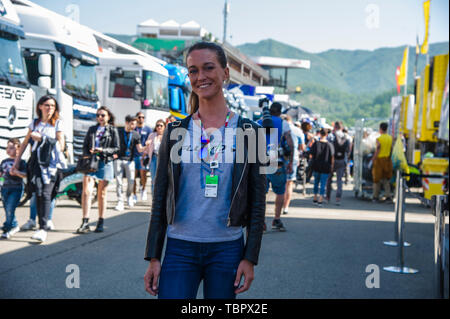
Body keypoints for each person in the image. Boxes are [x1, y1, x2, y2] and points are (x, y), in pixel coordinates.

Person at [144, 41, 266, 299]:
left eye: (208, 68)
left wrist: (250, 257)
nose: (200, 76)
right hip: (179, 248)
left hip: (227, 249)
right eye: (193, 70)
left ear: (225, 73)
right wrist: (154, 256)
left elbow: (258, 200)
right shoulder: (175, 132)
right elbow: (160, 196)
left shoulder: (250, 132)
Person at [14, 95, 66, 242]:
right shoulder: (34, 123)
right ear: (40, 107)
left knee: (46, 193)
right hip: (35, 163)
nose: (50, 108)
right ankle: (39, 225)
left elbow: (60, 146)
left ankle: (43, 228)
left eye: (52, 106)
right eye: (47, 105)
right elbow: (24, 144)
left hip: (50, 164)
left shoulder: (57, 124)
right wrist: (16, 162)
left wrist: (43, 139)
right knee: (37, 193)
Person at [77, 106, 119, 233]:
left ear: (108, 117)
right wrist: (87, 155)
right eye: (98, 115)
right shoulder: (92, 129)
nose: (100, 117)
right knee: (86, 192)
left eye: (103, 115)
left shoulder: (112, 130)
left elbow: (116, 148)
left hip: (105, 162)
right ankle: (85, 222)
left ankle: (100, 221)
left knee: (102, 194)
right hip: (91, 162)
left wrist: (102, 150)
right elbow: (84, 145)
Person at [258, 102, 293, 231]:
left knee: (261, 193)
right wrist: (290, 161)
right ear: (280, 112)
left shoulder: (259, 121)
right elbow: (290, 143)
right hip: (277, 162)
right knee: (280, 191)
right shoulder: (283, 123)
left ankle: (261, 222)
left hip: (261, 161)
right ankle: (276, 219)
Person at [114, 115, 144, 211]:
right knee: (119, 182)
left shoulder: (136, 134)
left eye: (135, 124)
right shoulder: (118, 132)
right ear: (126, 123)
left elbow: (139, 149)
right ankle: (120, 201)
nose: (134, 126)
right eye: (132, 124)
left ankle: (129, 196)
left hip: (130, 161)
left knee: (131, 181)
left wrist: (147, 146)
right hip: (118, 159)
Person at [1, 138, 27, 239]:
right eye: (7, 148)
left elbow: (25, 175)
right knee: (7, 209)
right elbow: (1, 175)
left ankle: (8, 228)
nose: (8, 150)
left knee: (10, 208)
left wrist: (17, 173)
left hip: (16, 189)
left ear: (19, 149)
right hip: (4, 189)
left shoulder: (21, 162)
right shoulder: (4, 161)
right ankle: (14, 225)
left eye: (11, 148)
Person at [281, 115, 305, 215]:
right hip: (293, 159)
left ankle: (278, 205)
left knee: (279, 183)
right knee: (289, 183)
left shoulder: (279, 128)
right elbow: (302, 147)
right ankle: (286, 207)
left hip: (278, 158)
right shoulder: (298, 131)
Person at [326, 121, 349, 205]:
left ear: (335, 127)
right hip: (342, 160)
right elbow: (348, 150)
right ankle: (338, 198)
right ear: (341, 127)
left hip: (332, 160)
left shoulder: (331, 136)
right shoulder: (346, 137)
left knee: (329, 179)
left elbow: (328, 148)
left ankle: (328, 197)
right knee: (339, 180)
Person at [310, 128, 334, 207]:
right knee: (323, 183)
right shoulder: (329, 145)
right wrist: (332, 167)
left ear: (320, 133)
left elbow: (311, 155)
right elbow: (332, 157)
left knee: (316, 182)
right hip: (326, 166)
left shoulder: (316, 143)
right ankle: (320, 199)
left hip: (316, 165)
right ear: (327, 135)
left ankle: (314, 198)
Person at [133, 111, 153, 203]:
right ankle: (133, 194)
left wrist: (147, 153)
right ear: (136, 118)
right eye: (139, 117)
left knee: (143, 174)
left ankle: (143, 190)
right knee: (133, 176)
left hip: (143, 155)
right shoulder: (134, 129)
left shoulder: (148, 129)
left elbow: (150, 142)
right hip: (134, 155)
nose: (141, 119)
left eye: (142, 117)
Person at [142, 119, 166, 194]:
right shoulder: (152, 135)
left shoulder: (167, 136)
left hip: (163, 160)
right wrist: (143, 157)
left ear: (164, 127)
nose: (159, 127)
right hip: (154, 158)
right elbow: (147, 149)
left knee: (162, 180)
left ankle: (161, 200)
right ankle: (154, 201)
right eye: (157, 125)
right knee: (153, 179)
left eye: (161, 125)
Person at [371, 122, 393, 202]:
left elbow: (378, 150)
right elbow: (391, 149)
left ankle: (375, 196)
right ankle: (388, 196)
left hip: (379, 160)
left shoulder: (379, 139)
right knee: (386, 179)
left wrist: (373, 158)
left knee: (376, 180)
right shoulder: (390, 138)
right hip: (387, 160)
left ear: (380, 129)